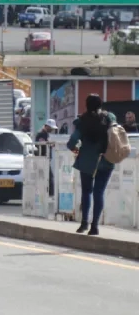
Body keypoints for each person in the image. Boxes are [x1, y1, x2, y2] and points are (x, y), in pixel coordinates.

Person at [67, 94, 117, 236]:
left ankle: (84, 223)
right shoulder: (109, 118)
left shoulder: (82, 121)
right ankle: (94, 226)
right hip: (106, 160)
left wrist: (74, 149)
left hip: (87, 162)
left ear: (86, 105)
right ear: (100, 104)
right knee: (99, 192)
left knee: (86, 192)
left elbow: (72, 141)